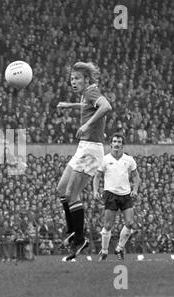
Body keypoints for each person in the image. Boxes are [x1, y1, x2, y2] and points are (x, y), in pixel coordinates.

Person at [56, 62, 112, 261]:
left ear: (87, 79)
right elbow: (87, 105)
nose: (73, 82)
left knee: (71, 194)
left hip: (91, 148)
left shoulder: (92, 91)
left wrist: (87, 125)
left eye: (77, 78)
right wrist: (69, 105)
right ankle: (73, 233)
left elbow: (106, 106)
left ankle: (79, 239)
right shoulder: (87, 95)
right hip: (84, 147)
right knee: (62, 189)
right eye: (72, 79)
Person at [93, 133, 140, 261]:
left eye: (119, 142)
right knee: (108, 225)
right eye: (115, 141)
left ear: (122, 145)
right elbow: (97, 177)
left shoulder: (129, 160)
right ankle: (104, 251)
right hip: (110, 194)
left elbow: (136, 177)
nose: (117, 144)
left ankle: (119, 248)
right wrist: (95, 191)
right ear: (111, 144)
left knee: (130, 223)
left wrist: (135, 190)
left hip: (125, 194)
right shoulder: (105, 159)